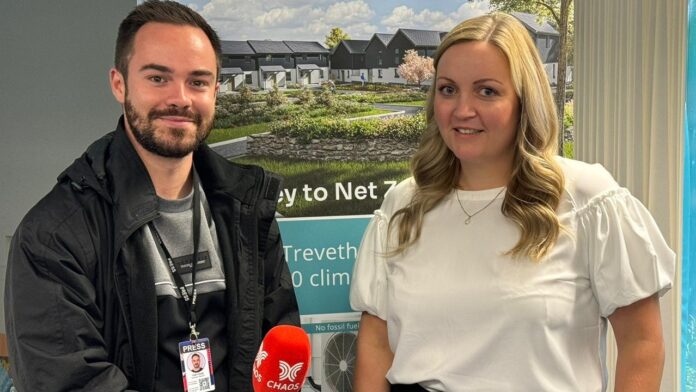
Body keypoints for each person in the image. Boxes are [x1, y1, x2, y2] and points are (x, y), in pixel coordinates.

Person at [350, 13, 675, 392]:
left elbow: (641, 343)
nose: (462, 110)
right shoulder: (403, 203)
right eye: (448, 89)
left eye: (487, 91)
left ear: (524, 100)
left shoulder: (587, 198)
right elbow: (375, 342)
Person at [4, 1, 300, 391]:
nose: (180, 98)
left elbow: (274, 350)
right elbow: (72, 382)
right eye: (158, 78)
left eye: (197, 81)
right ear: (119, 83)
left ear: (215, 90)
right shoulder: (54, 236)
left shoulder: (245, 207)